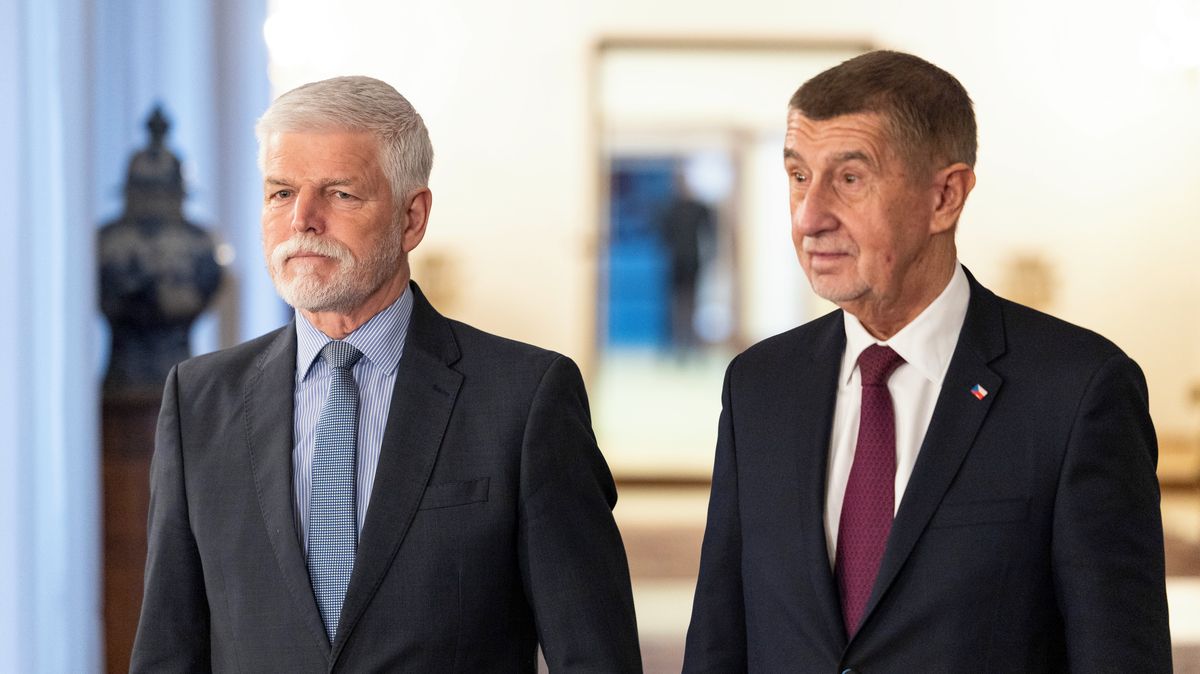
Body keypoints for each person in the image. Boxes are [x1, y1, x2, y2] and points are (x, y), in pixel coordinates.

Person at [130, 75, 642, 673]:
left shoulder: (525, 400)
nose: (303, 220)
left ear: (411, 218)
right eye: (281, 193)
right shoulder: (198, 401)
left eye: (340, 193)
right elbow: (168, 649)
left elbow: (595, 657)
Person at [683, 51, 1172, 672]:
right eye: (799, 176)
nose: (809, 217)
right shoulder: (759, 386)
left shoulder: (1078, 392)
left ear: (945, 196)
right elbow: (719, 640)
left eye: (850, 178)